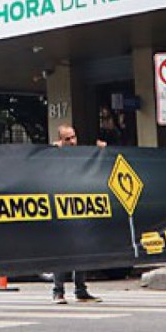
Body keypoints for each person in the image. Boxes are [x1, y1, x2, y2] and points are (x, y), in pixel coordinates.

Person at [49, 124, 102, 304]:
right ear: (60, 140)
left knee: (82, 249)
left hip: (79, 207)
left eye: (74, 137)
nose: (72, 142)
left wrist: (101, 152)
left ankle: (81, 289)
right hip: (60, 208)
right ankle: (58, 291)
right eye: (67, 139)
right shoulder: (53, 156)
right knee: (61, 251)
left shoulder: (81, 155)